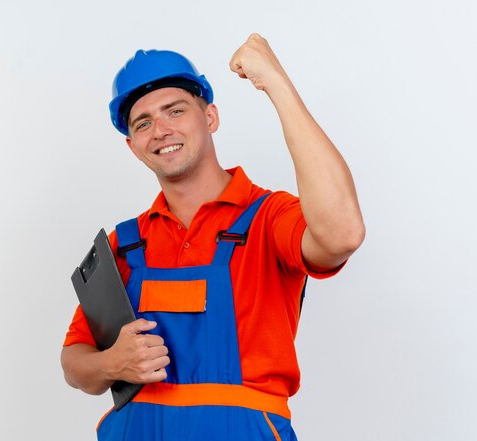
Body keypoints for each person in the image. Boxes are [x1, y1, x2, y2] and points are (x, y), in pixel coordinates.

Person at [61, 33, 365, 440]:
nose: (161, 130)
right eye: (144, 122)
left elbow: (342, 234)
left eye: (175, 110)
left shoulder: (267, 219)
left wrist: (277, 84)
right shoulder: (126, 242)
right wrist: (110, 365)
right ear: (133, 146)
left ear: (210, 118)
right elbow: (74, 359)